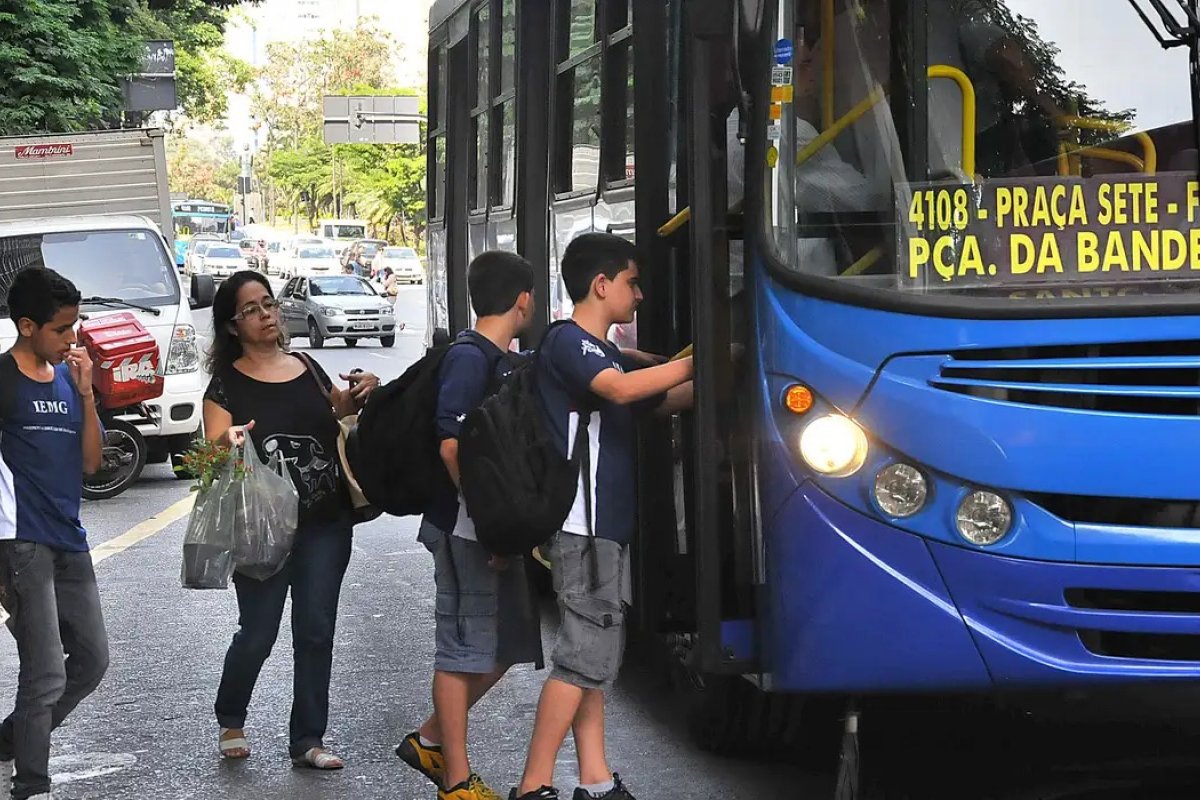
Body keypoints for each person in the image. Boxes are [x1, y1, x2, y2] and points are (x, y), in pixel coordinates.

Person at [511, 234, 693, 800]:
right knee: (585, 655)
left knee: (589, 653)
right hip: (581, 525)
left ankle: (594, 778)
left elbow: (656, 399)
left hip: (598, 526)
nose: (639, 295)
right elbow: (622, 389)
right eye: (633, 283)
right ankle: (533, 784)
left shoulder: (603, 352)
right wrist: (700, 360)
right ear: (602, 284)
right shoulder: (571, 343)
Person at [202, 270, 379, 770]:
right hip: (261, 527)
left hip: (326, 520)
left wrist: (362, 392)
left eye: (269, 304)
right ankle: (231, 718)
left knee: (316, 629)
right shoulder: (226, 384)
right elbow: (214, 441)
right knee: (258, 631)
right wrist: (229, 441)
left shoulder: (307, 365)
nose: (266, 315)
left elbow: (338, 413)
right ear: (233, 325)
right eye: (252, 310)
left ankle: (308, 740)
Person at [398, 251, 543, 800]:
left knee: (507, 644)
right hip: (463, 528)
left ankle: (431, 740)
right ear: (523, 299)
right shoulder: (469, 357)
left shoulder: (502, 357)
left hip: (476, 526)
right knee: (462, 649)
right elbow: (452, 444)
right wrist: (488, 522)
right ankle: (455, 779)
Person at [0, 268, 108, 800]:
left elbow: (91, 463)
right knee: (44, 673)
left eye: (76, 326)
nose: (73, 339)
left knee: (91, 661)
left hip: (71, 538)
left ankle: (11, 740)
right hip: (20, 543)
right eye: (63, 330)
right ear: (26, 326)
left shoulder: (70, 378)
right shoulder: (2, 380)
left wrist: (87, 396)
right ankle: (32, 784)